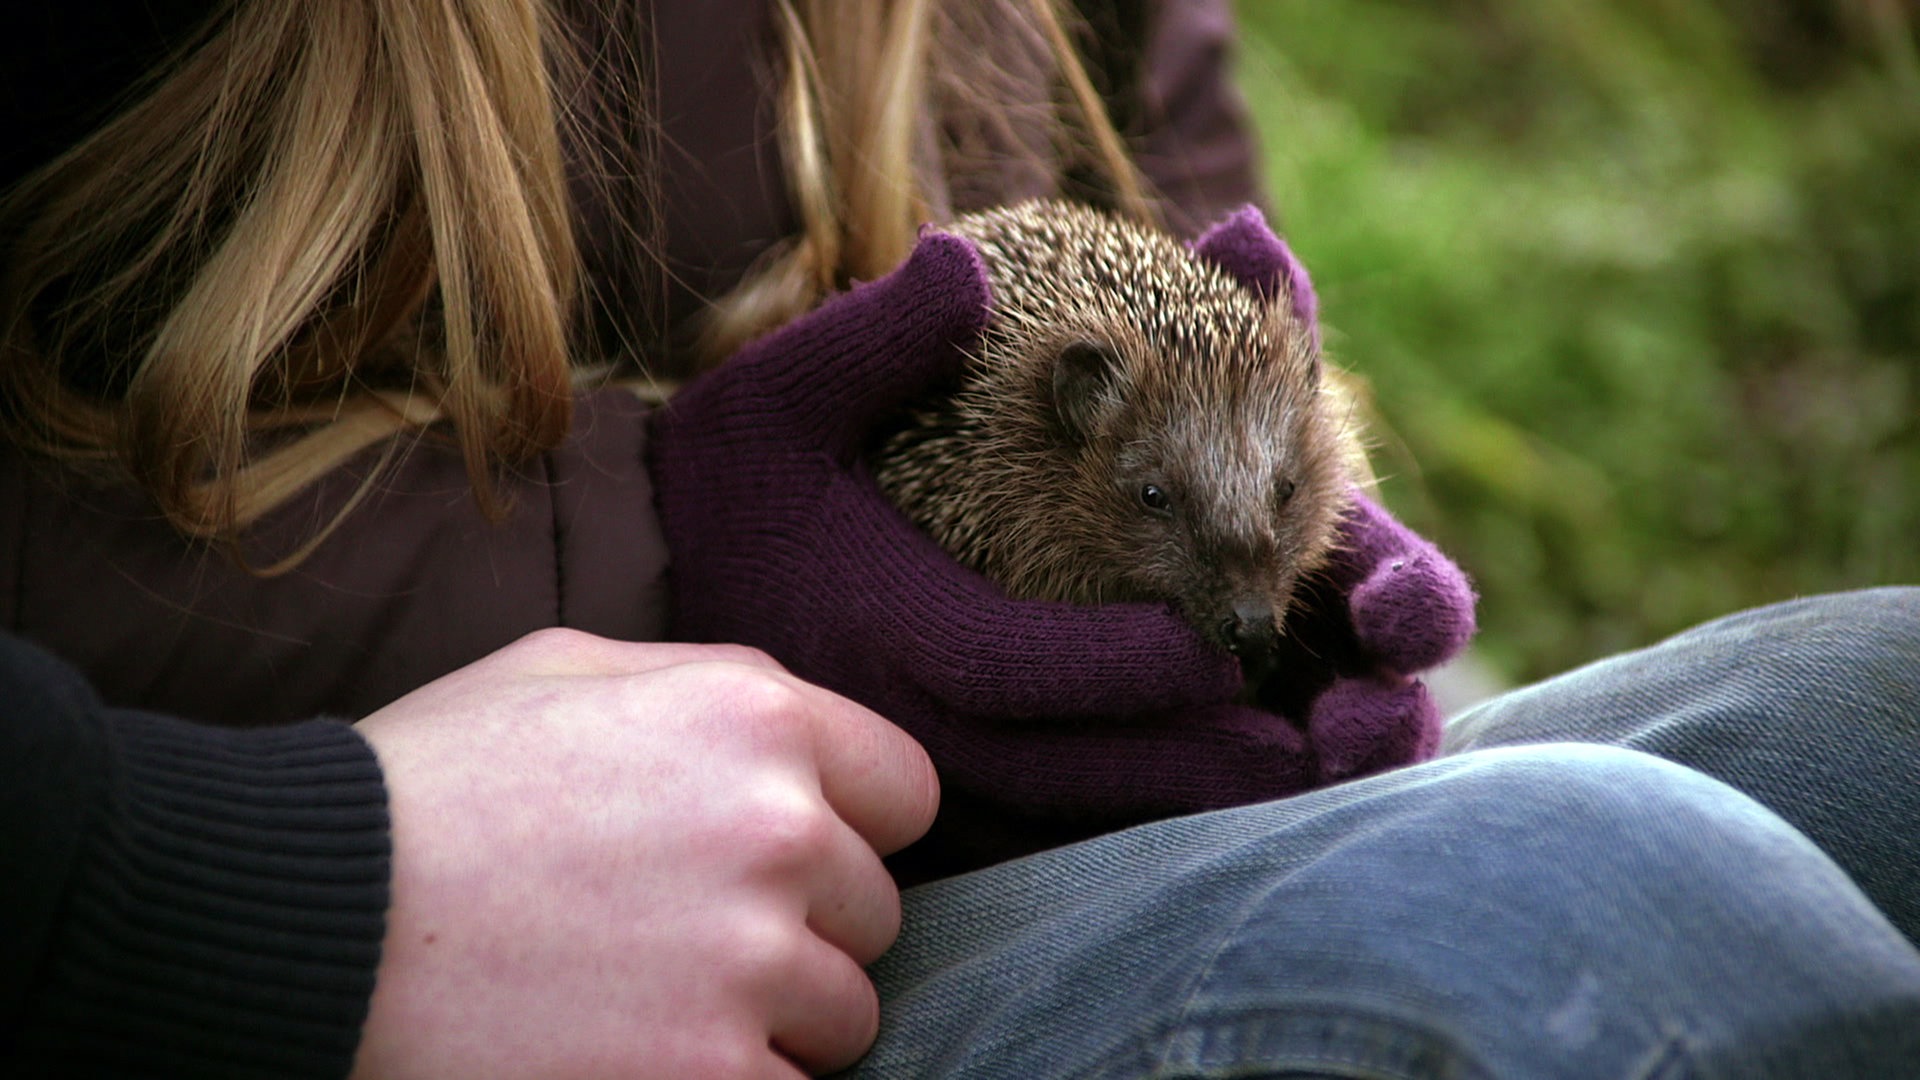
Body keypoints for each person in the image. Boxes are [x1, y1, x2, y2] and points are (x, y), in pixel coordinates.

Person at [2, 3, 1916, 1079]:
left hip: (974, 855)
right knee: (1586, 902)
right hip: (336, 947)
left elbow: (1165, 202)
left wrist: (1297, 563)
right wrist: (238, 893)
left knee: (1882, 710)